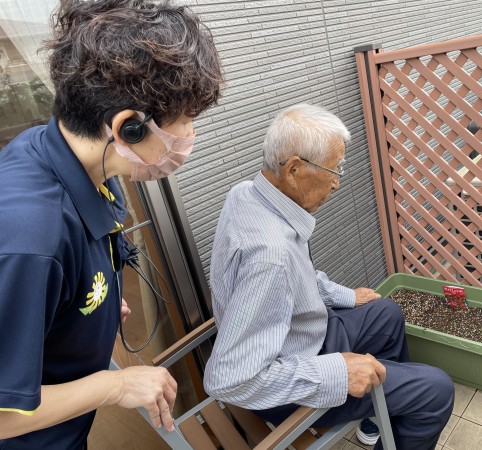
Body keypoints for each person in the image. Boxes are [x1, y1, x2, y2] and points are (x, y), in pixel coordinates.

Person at [0, 1, 222, 448]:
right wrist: (115, 386)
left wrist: (88, 306)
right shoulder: (30, 239)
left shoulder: (80, 163)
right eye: (186, 121)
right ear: (129, 128)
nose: (189, 136)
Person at [204, 104, 455, 450]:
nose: (336, 183)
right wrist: (338, 373)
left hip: (302, 336)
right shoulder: (270, 257)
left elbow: (298, 274)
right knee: (435, 391)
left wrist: (346, 296)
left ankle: (377, 419)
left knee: (386, 313)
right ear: (293, 169)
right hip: (284, 385)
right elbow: (230, 379)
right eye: (333, 169)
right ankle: (389, 408)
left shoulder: (247, 194)